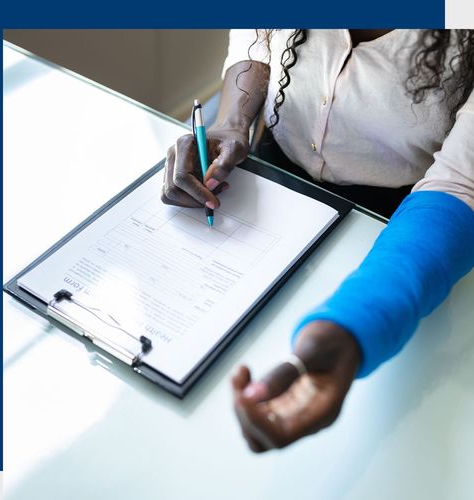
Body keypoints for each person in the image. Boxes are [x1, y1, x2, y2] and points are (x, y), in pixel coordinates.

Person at [161, 29, 474, 452]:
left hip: (400, 219)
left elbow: (461, 185)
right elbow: (257, 34)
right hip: (272, 175)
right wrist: (232, 121)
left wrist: (352, 326)